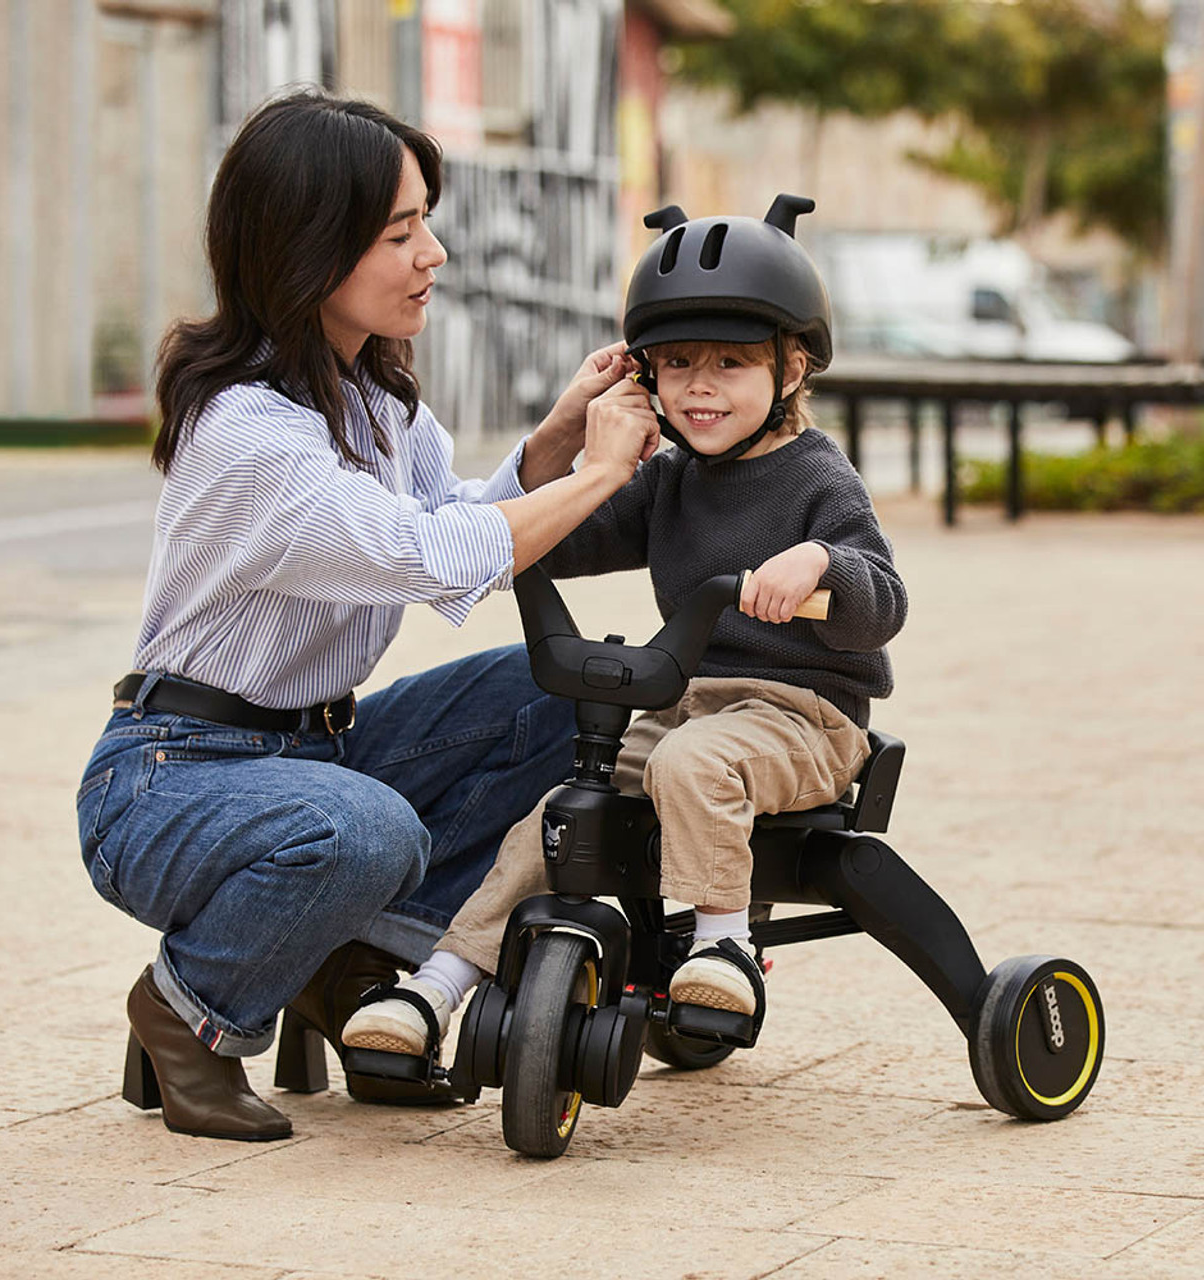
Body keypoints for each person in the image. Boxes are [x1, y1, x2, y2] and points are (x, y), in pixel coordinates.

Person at [74, 90, 660, 1143]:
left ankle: (358, 960)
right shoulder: (250, 432)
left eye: (424, 220)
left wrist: (557, 441)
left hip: (321, 748)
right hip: (170, 780)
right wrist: (604, 472)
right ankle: (189, 1008)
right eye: (400, 231)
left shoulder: (375, 400)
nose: (432, 252)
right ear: (310, 245)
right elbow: (424, 558)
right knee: (365, 828)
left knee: (557, 690)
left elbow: (457, 526)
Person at [342, 196, 908, 1059]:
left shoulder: (818, 481)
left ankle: (724, 946)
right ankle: (442, 982)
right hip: (693, 712)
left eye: (730, 363)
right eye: (676, 364)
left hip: (806, 721)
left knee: (691, 762)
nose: (700, 386)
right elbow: (563, 537)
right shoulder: (670, 477)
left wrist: (823, 568)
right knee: (560, 813)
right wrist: (593, 469)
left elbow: (886, 600)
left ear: (792, 369)